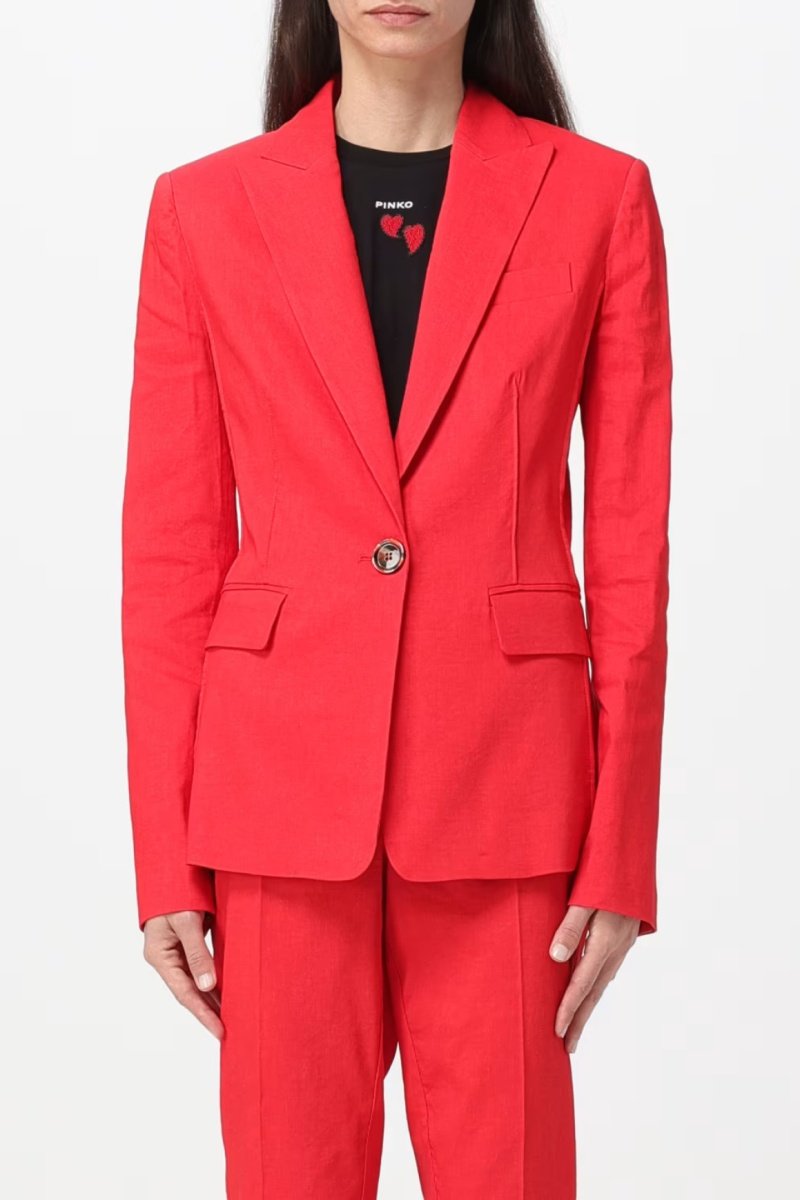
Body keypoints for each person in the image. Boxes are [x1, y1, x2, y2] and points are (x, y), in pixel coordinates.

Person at [121, 1, 672, 1195]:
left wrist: (620, 852)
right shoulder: (201, 209)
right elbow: (169, 559)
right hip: (274, 807)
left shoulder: (598, 198)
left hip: (507, 800)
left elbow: (630, 552)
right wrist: (165, 855)